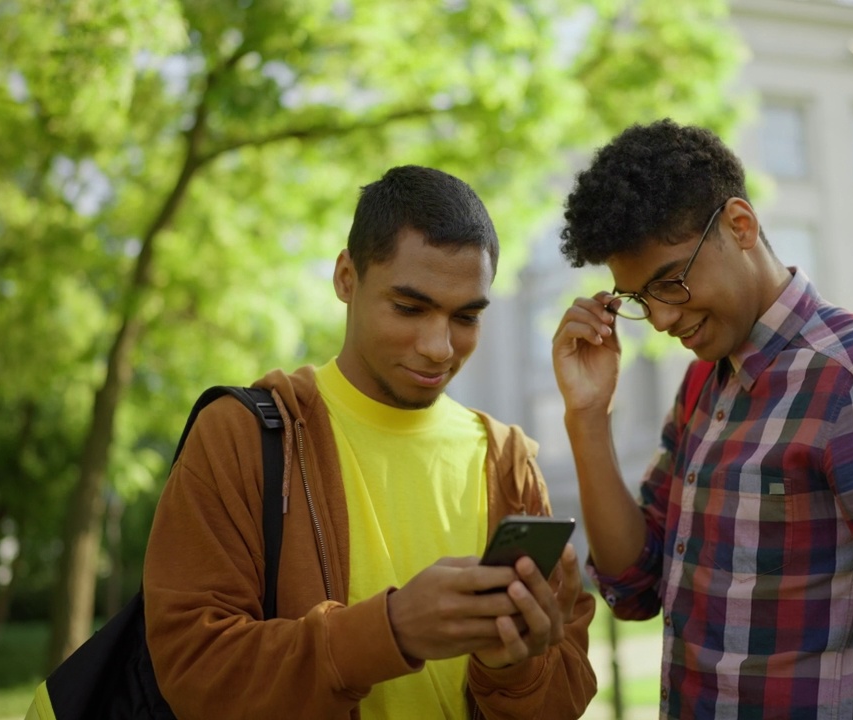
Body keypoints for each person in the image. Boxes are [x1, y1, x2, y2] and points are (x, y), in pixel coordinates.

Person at [550, 119, 853, 719]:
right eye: (641, 302)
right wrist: (587, 418)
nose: (663, 322)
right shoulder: (703, 381)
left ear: (740, 226)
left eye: (670, 282)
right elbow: (634, 584)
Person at [144, 165, 596, 719]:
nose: (437, 347)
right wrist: (393, 629)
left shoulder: (508, 462)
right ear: (345, 278)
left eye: (466, 317)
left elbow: (564, 695)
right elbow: (194, 670)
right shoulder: (241, 436)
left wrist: (512, 667)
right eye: (409, 308)